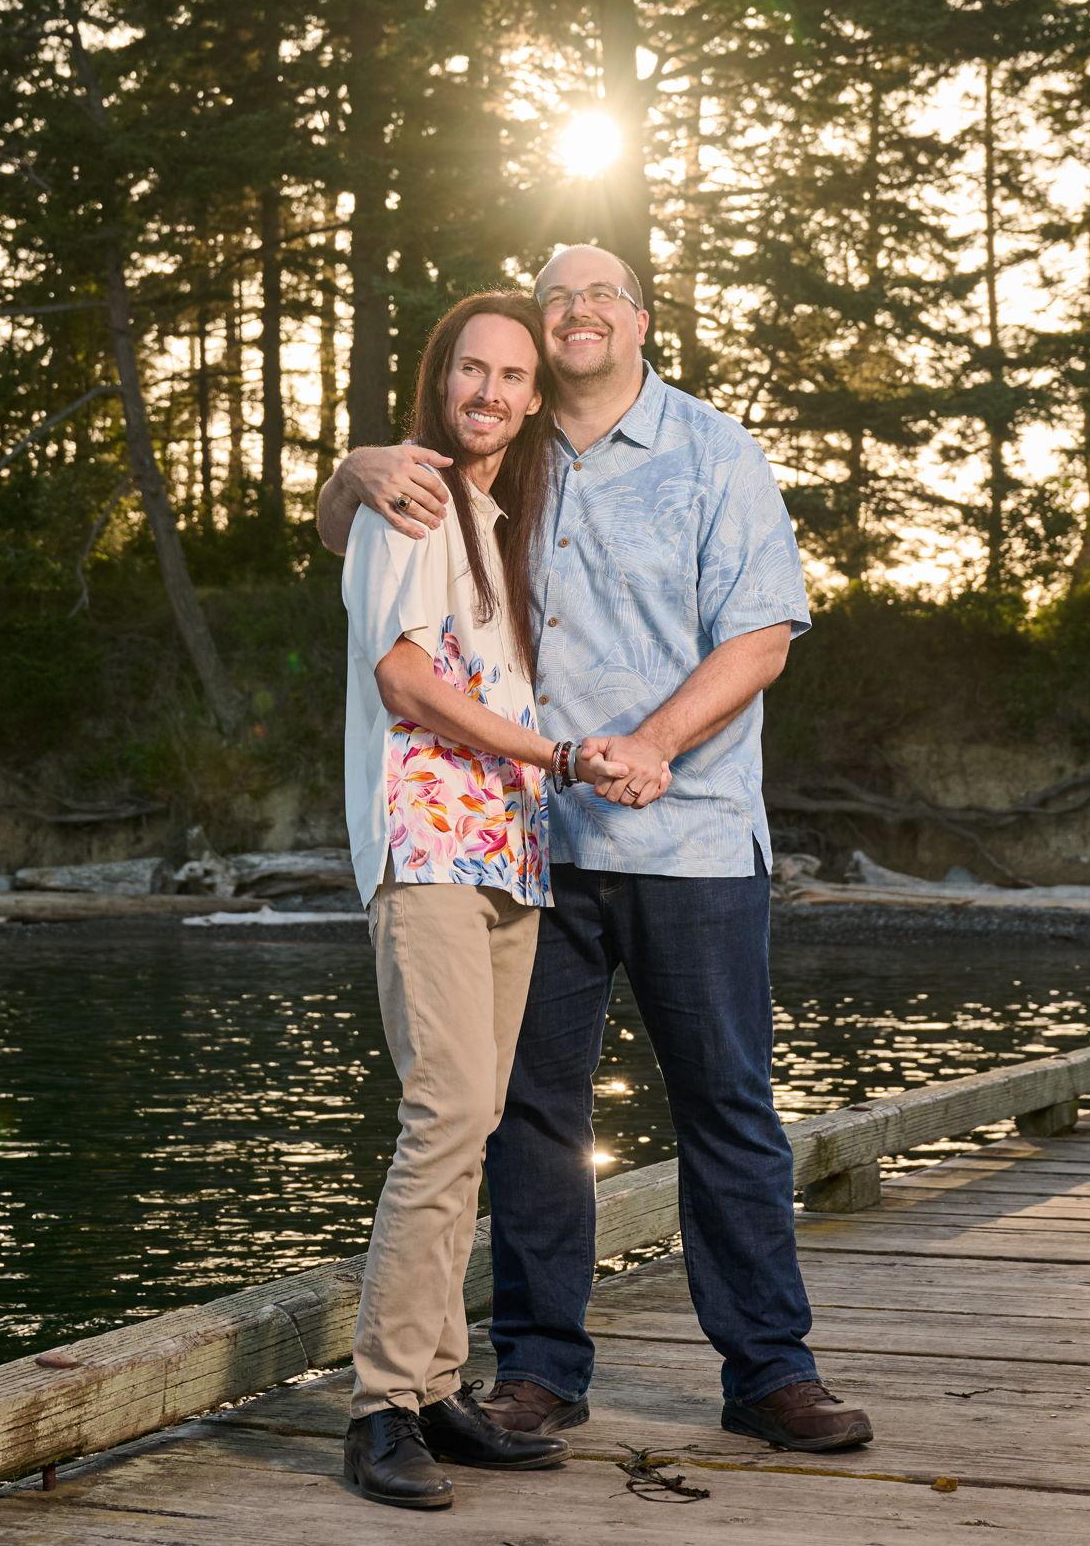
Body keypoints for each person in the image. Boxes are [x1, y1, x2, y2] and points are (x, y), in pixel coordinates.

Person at [319, 244, 875, 1457]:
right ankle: (535, 1371)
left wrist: (648, 744)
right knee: (528, 1115)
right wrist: (347, 470)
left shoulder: (711, 451)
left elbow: (764, 634)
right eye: (553, 293)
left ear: (639, 322)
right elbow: (370, 544)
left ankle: (769, 1371)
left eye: (599, 294)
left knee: (725, 1105)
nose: (575, 311)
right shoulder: (498, 458)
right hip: (535, 842)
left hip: (689, 829)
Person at [338, 290, 628, 1512]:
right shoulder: (407, 491)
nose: (491, 393)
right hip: (425, 847)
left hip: (505, 855)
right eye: (471, 371)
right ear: (437, 381)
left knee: (480, 1118)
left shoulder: (494, 518)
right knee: (446, 1112)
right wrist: (553, 754)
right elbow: (403, 679)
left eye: (511, 376)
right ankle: (377, 1408)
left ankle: (439, 1386)